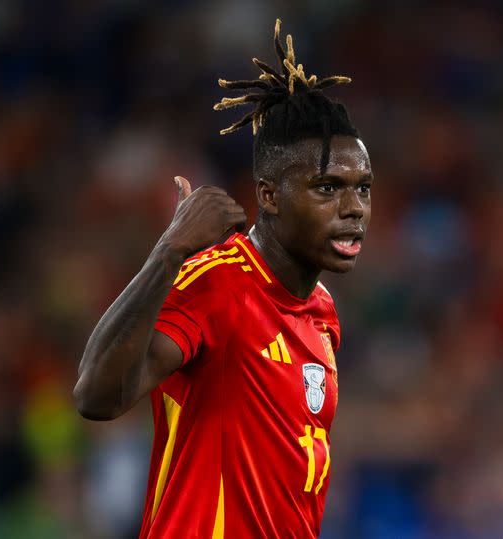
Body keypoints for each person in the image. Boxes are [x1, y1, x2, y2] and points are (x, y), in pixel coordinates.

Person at [73, 19, 373, 538]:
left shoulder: (323, 310)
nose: (353, 209)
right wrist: (169, 250)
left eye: (362, 189)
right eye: (327, 188)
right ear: (270, 195)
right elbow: (95, 397)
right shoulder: (215, 284)